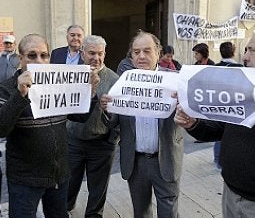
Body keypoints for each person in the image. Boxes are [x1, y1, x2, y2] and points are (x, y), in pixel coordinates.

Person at [174, 29, 255, 218]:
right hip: (231, 195)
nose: (245, 56)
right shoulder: (243, 83)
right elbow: (221, 129)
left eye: (251, 50)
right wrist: (193, 124)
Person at [0, 34, 99, 217]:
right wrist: (19, 95)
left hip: (59, 176)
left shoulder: (58, 83)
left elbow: (80, 117)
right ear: (20, 58)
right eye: (32, 55)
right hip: (25, 180)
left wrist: (90, 94)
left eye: (44, 55)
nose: (39, 61)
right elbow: (1, 129)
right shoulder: (6, 89)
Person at [100, 30, 183, 218]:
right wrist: (108, 109)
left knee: (169, 211)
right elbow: (114, 123)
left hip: (165, 159)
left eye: (147, 51)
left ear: (158, 53)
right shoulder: (123, 83)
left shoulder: (175, 81)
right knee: (140, 211)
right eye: (136, 52)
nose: (141, 56)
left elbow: (192, 118)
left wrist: (184, 104)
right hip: (135, 161)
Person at [67, 35, 119, 218]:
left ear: (105, 54)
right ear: (82, 54)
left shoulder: (115, 80)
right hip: (73, 142)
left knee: (98, 186)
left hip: (101, 144)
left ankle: (94, 215)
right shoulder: (69, 76)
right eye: (91, 53)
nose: (96, 58)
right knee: (69, 181)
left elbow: (120, 116)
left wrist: (112, 141)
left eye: (100, 53)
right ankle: (67, 206)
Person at [213, 41, 243, 170]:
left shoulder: (215, 67)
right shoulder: (241, 67)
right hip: (235, 105)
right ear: (234, 52)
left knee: (218, 133)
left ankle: (217, 161)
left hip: (218, 104)